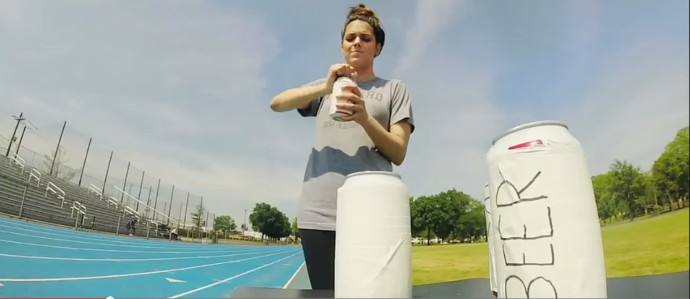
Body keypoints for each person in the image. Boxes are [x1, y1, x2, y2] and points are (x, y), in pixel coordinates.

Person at [270, 3, 415, 290]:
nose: (357, 43)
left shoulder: (394, 89)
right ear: (342, 46)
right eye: (350, 38)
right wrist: (325, 87)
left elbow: (398, 152)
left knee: (370, 293)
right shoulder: (326, 87)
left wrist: (364, 118)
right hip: (319, 212)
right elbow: (277, 104)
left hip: (371, 212)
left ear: (378, 47)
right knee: (325, 293)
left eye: (365, 38)